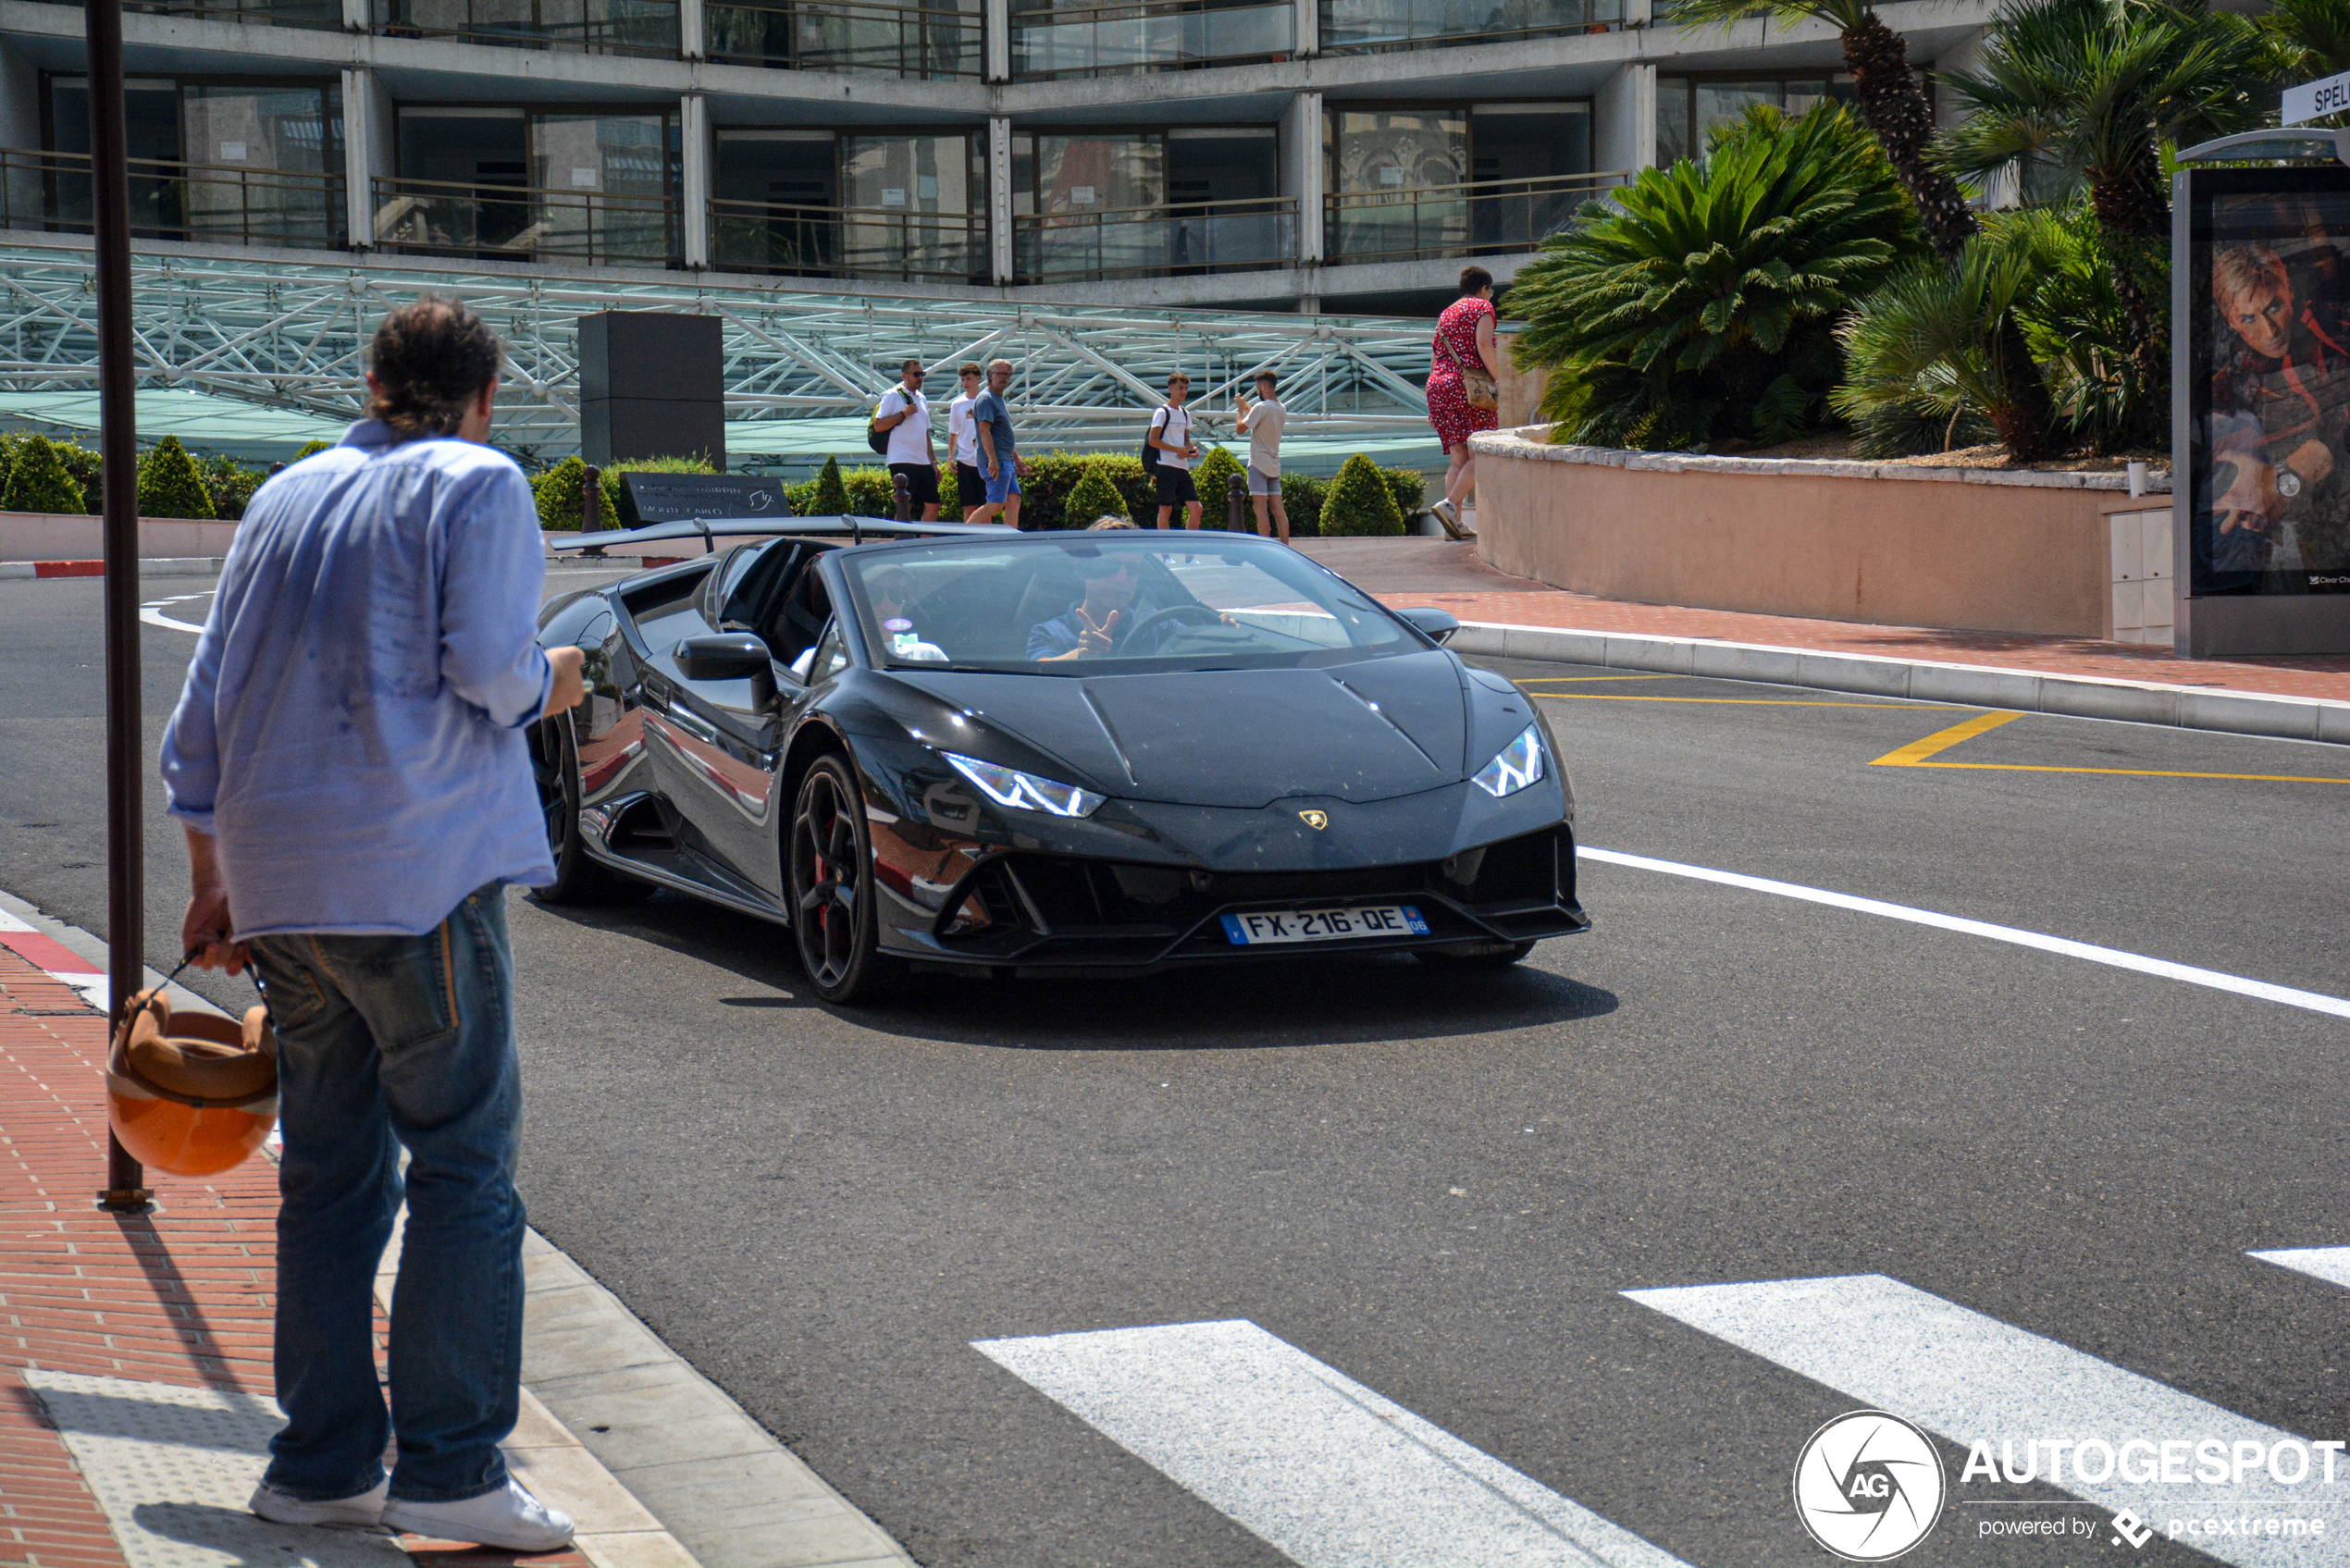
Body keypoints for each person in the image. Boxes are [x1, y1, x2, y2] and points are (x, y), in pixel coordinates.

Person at [159, 296, 584, 1554]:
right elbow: (489, 670)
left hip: (279, 878)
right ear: (485, 395)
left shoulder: (285, 496)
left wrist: (210, 870)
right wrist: (562, 679)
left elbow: (202, 713)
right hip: (414, 868)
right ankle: (451, 1464)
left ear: (373, 379)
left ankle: (322, 1461)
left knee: (330, 1177)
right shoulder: (479, 480)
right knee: (462, 1163)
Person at [2208, 242, 2350, 576]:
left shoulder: (2340, 324)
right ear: (2230, 320)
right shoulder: (2227, 391)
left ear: (2290, 290)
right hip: (2321, 543)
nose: (2269, 331)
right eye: (2248, 317)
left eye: (2274, 307)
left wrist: (2302, 465)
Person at [1426, 265, 1500, 541]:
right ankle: (1448, 505)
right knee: (1481, 452)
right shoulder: (1481, 308)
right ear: (1483, 289)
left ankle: (1453, 523)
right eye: (1490, 292)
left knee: (1458, 458)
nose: (1490, 296)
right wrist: (1498, 378)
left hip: (1439, 386)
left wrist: (1430, 400)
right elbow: (1484, 344)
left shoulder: (1445, 314)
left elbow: (1435, 357)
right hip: (1468, 387)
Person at [1028, 553, 1139, 661]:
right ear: (1084, 571)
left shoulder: (1152, 625)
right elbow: (1041, 669)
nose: (1122, 580)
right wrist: (1082, 654)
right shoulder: (1049, 633)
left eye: (1132, 570)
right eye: (1108, 566)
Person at [873, 357, 939, 522]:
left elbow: (926, 433)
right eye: (916, 374)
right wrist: (903, 413)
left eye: (922, 374)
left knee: (934, 504)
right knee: (905, 504)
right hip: (902, 457)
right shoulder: (892, 395)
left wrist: (933, 463)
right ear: (904, 376)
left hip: (922, 460)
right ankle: (901, 541)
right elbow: (878, 425)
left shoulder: (922, 398)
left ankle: (924, 542)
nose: (920, 378)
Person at [968, 358, 1028, 529]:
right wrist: (992, 460)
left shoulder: (997, 398)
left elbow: (1002, 435)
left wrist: (1016, 458)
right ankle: (962, 535)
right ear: (990, 375)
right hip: (997, 461)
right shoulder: (986, 399)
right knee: (995, 504)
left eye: (1007, 374)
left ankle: (1010, 539)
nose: (1004, 378)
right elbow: (984, 431)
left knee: (1014, 500)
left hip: (1005, 460)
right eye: (999, 374)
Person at [1237, 370, 1289, 544]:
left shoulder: (1261, 407)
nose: (1258, 391)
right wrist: (1246, 407)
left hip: (1258, 464)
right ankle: (1285, 545)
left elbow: (1240, 428)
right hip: (1274, 465)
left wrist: (1239, 410)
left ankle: (1266, 545)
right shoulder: (1281, 408)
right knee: (1278, 509)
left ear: (1264, 386)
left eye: (1258, 388)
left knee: (1260, 508)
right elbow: (1262, 416)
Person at [1149, 373, 1203, 530]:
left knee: (1196, 508)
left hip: (1182, 467)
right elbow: (1153, 441)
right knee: (1166, 509)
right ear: (1170, 389)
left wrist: (1192, 449)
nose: (1183, 392)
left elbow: (1185, 440)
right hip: (1165, 465)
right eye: (1180, 388)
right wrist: (1177, 450)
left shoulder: (1185, 413)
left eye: (1186, 388)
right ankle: (1164, 549)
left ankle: (1188, 548)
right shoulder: (1162, 412)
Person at [946, 362, 985, 520]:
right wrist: (950, 457)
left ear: (978, 379)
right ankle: (970, 536)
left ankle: (986, 538)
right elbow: (953, 433)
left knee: (986, 504)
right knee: (968, 504)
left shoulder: (988, 400)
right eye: (963, 380)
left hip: (986, 460)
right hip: (965, 460)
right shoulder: (957, 404)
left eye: (968, 379)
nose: (965, 384)